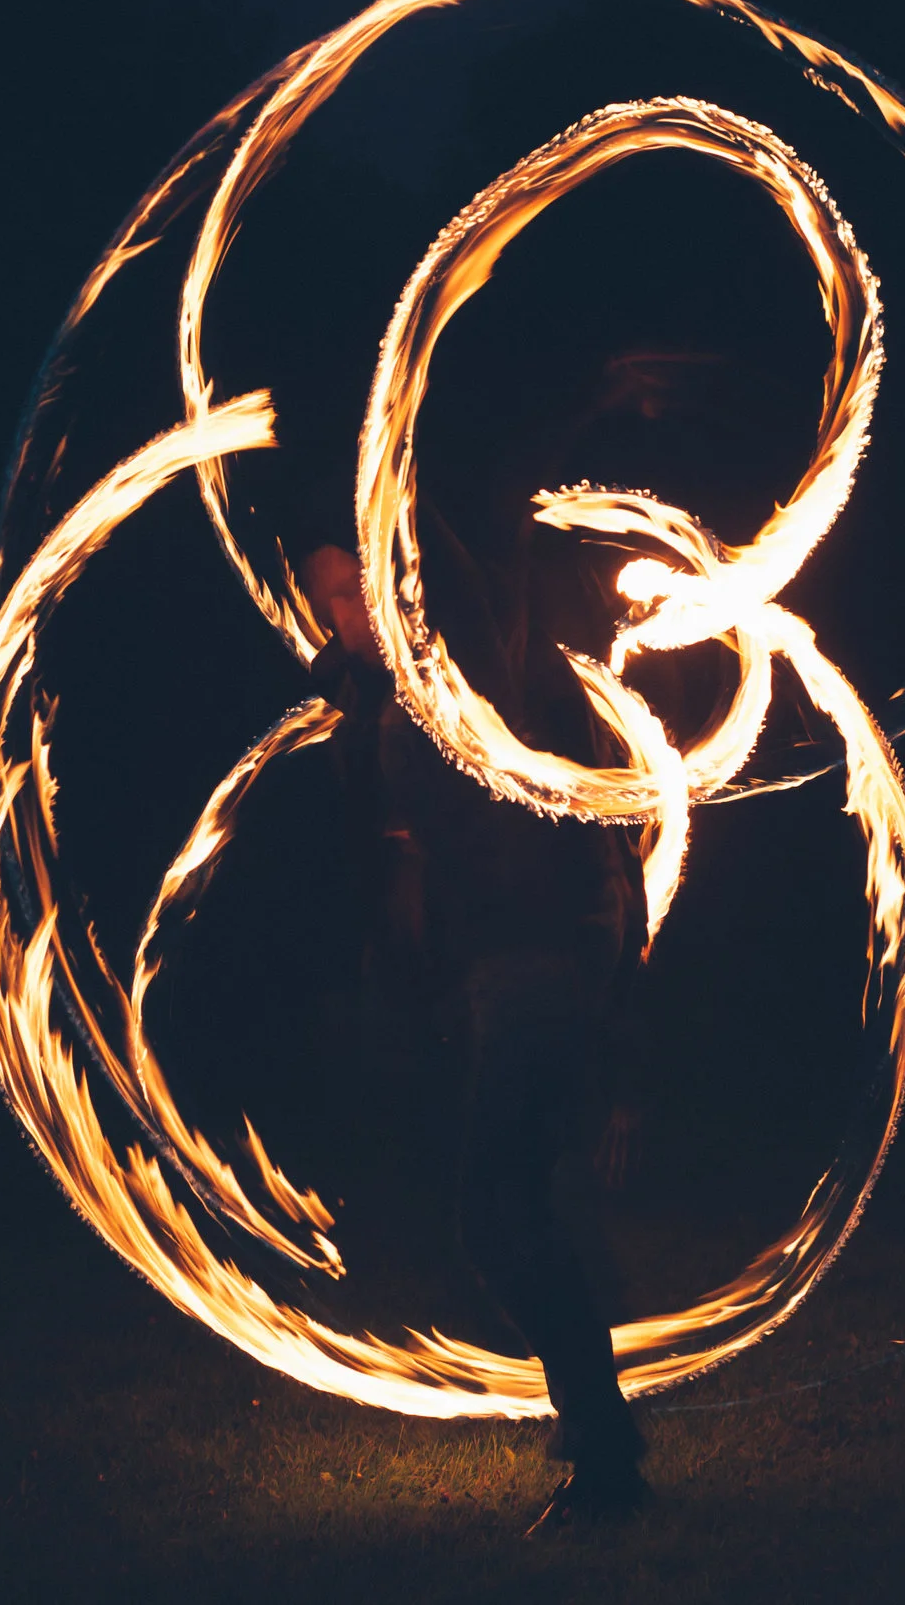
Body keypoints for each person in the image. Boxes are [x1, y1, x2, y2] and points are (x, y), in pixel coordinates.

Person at [301, 539, 652, 1532]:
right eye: (328, 602)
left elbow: (591, 845)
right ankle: (601, 1443)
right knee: (513, 1211)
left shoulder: (470, 682)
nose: (345, 616)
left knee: (496, 1216)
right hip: (499, 978)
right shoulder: (391, 696)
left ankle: (606, 1454)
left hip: (536, 968)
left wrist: (615, 1028)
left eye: (354, 594)